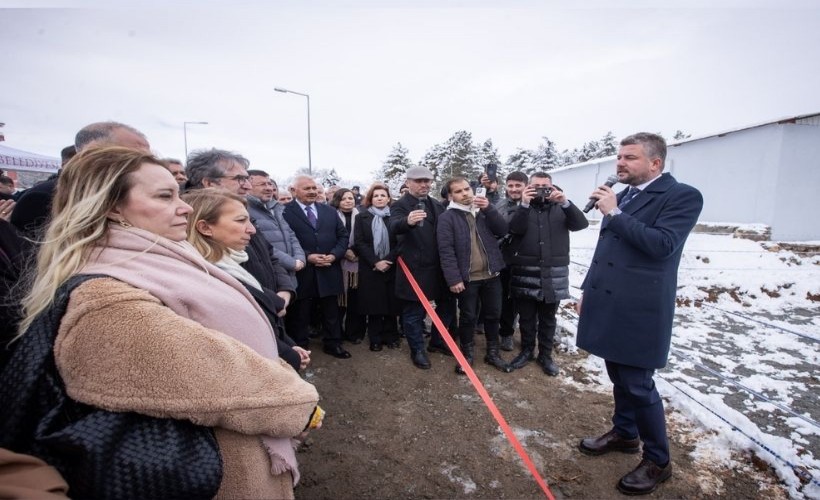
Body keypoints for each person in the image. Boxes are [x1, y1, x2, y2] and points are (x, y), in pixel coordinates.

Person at [5, 146, 320, 498]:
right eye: (165, 196)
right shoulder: (105, 300)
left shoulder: (166, 261)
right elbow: (215, 378)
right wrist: (301, 406)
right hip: (222, 472)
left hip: (247, 446)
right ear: (111, 207)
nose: (184, 205)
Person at [576, 133, 703, 496]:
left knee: (637, 382)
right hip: (608, 298)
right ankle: (625, 433)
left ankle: (658, 460)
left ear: (655, 163)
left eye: (629, 158)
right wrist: (588, 290)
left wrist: (614, 213)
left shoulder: (682, 196)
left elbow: (662, 245)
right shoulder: (627, 194)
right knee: (616, 370)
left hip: (640, 306)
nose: (620, 164)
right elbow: (607, 250)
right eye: (619, 157)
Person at [183, 188, 311, 372]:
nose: (252, 230)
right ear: (204, 227)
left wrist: (288, 345)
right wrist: (291, 357)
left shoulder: (233, 262)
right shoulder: (209, 279)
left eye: (249, 220)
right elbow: (245, 337)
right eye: (241, 220)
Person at [507, 172, 588, 376]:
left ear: (553, 187)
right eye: (536, 186)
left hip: (554, 272)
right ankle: (526, 351)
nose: (541, 189)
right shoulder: (521, 207)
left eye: (546, 186)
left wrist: (566, 202)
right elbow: (514, 229)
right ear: (529, 187)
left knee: (548, 318)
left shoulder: (561, 207)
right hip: (525, 270)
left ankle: (545, 355)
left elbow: (581, 224)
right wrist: (524, 205)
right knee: (526, 317)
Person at [11, 121, 149, 237]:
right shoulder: (42, 198)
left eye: (148, 158)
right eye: (130, 156)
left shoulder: (141, 194)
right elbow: (35, 260)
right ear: (90, 154)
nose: (147, 165)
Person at [437, 177, 510, 374]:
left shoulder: (483, 211)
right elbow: (446, 250)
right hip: (468, 278)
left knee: (493, 315)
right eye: (459, 191)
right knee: (468, 317)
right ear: (451, 196)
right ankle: (466, 354)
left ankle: (492, 353)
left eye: (467, 189)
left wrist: (489, 209)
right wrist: (453, 279)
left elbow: (503, 230)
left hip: (491, 274)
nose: (465, 193)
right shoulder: (447, 217)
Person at [390, 166, 456, 369]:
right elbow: (393, 226)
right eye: (419, 181)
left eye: (427, 181)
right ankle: (417, 349)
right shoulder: (400, 205)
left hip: (439, 268)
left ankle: (437, 340)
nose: (424, 184)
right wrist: (407, 222)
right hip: (415, 269)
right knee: (414, 313)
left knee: (447, 307)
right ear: (408, 182)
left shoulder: (436, 204)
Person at [282, 175, 351, 359]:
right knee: (300, 312)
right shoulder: (284, 212)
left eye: (314, 188)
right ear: (293, 191)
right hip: (303, 270)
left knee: (331, 311)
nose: (312, 191)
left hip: (329, 268)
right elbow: (284, 242)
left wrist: (334, 255)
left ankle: (333, 343)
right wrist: (307, 256)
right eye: (306, 188)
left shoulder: (329, 211)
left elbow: (343, 236)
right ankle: (300, 347)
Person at [353, 183, 400, 351]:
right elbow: (359, 242)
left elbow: (400, 242)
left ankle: (391, 336)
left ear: (388, 198)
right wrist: (376, 262)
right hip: (370, 267)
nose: (379, 198)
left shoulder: (395, 216)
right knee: (373, 305)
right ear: (370, 199)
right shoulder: (361, 217)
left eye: (383, 195)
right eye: (376, 196)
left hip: (391, 266)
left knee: (391, 304)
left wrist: (388, 260)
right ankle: (375, 338)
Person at [247, 170, 306, 289]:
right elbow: (260, 244)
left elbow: (291, 236)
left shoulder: (275, 208)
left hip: (288, 278)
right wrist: (291, 263)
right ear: (247, 186)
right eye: (263, 184)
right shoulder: (245, 210)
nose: (269, 188)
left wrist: (300, 258)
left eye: (270, 184)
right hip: (268, 278)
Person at [494, 171, 528, 351]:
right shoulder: (500, 204)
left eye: (518, 186)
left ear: (526, 186)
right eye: (511, 186)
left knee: (525, 302)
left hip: (527, 260)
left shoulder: (534, 205)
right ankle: (506, 333)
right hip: (504, 259)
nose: (514, 189)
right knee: (506, 300)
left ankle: (528, 336)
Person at [330, 188, 366, 343]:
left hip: (358, 263)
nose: (348, 201)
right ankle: (337, 333)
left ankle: (354, 333)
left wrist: (355, 251)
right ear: (338, 200)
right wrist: (344, 252)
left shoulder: (361, 216)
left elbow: (365, 237)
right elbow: (329, 237)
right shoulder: (331, 216)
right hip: (338, 263)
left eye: (350, 198)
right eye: (344, 198)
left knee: (355, 301)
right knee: (339, 301)